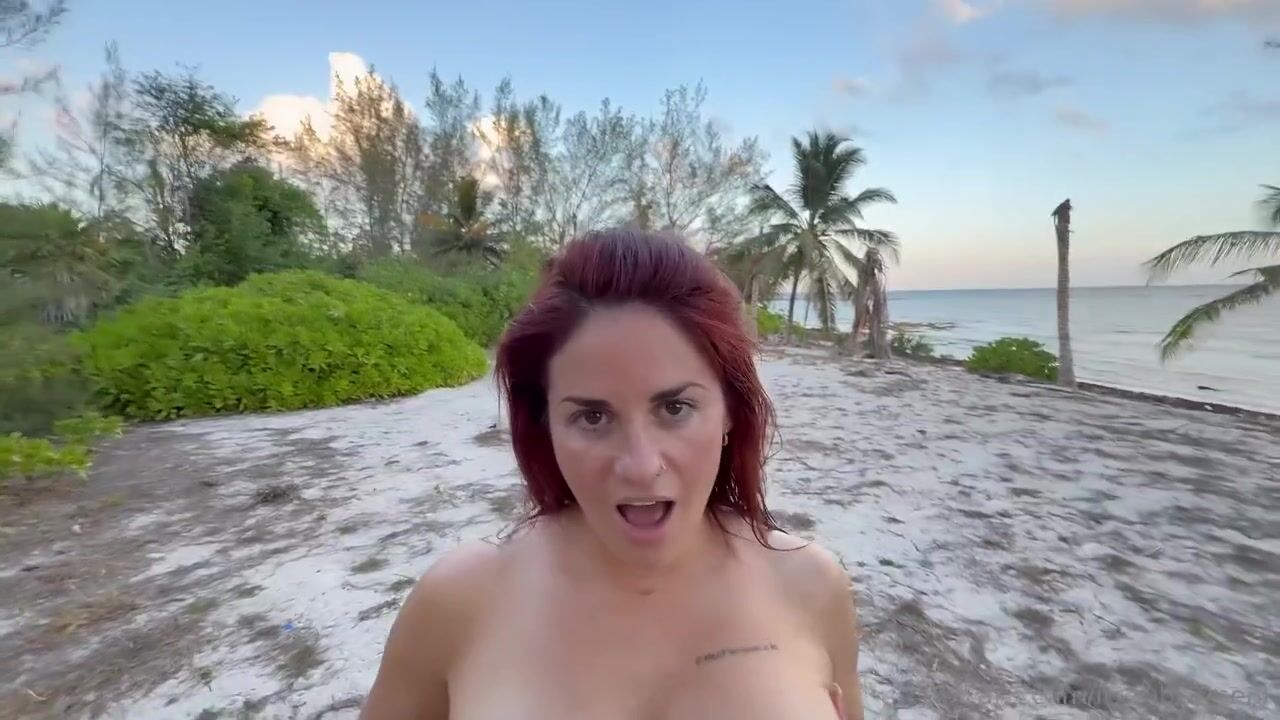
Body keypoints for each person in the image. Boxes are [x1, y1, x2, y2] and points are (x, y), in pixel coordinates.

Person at [359, 230, 864, 720]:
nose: (641, 466)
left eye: (675, 408)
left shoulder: (811, 586)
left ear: (730, 410)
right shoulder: (460, 601)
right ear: (546, 424)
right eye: (593, 417)